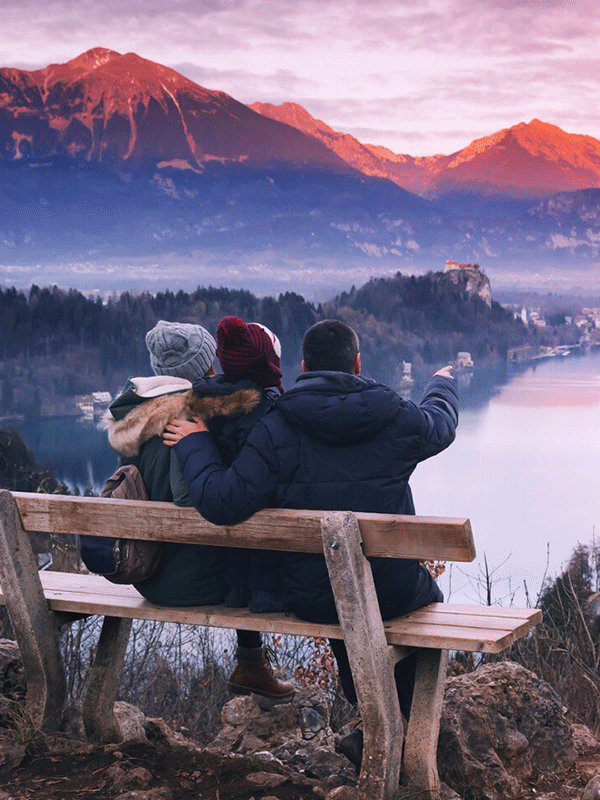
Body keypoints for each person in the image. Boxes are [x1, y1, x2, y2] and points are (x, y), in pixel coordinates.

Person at [164, 318, 458, 766]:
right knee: (419, 599)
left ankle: (377, 724)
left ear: (302, 366)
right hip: (391, 591)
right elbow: (441, 423)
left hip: (311, 593)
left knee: (342, 596)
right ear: (357, 364)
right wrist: (442, 385)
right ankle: (400, 732)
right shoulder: (398, 416)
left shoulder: (277, 424)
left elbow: (223, 502)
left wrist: (197, 442)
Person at [106, 318, 294, 700]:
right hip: (195, 582)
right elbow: (195, 501)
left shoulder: (138, 414)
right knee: (243, 524)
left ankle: (252, 665)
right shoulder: (191, 421)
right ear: (207, 367)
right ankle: (252, 663)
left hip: (148, 573)